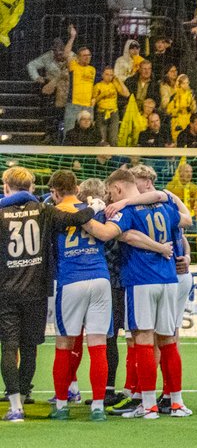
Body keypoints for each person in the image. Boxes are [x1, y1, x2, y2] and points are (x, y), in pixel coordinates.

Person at [47, 170, 170, 422]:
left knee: (64, 345)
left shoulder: (54, 212)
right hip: (101, 279)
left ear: (56, 192)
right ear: (77, 188)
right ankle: (98, 407)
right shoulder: (101, 210)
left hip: (71, 280)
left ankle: (61, 404)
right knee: (98, 345)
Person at [104, 167, 191, 419]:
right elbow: (182, 224)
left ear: (118, 188)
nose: (111, 198)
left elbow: (123, 234)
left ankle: (149, 404)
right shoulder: (166, 206)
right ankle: (176, 402)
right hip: (169, 279)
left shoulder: (125, 210)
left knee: (142, 339)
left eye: (111, 193)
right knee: (168, 340)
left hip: (141, 280)